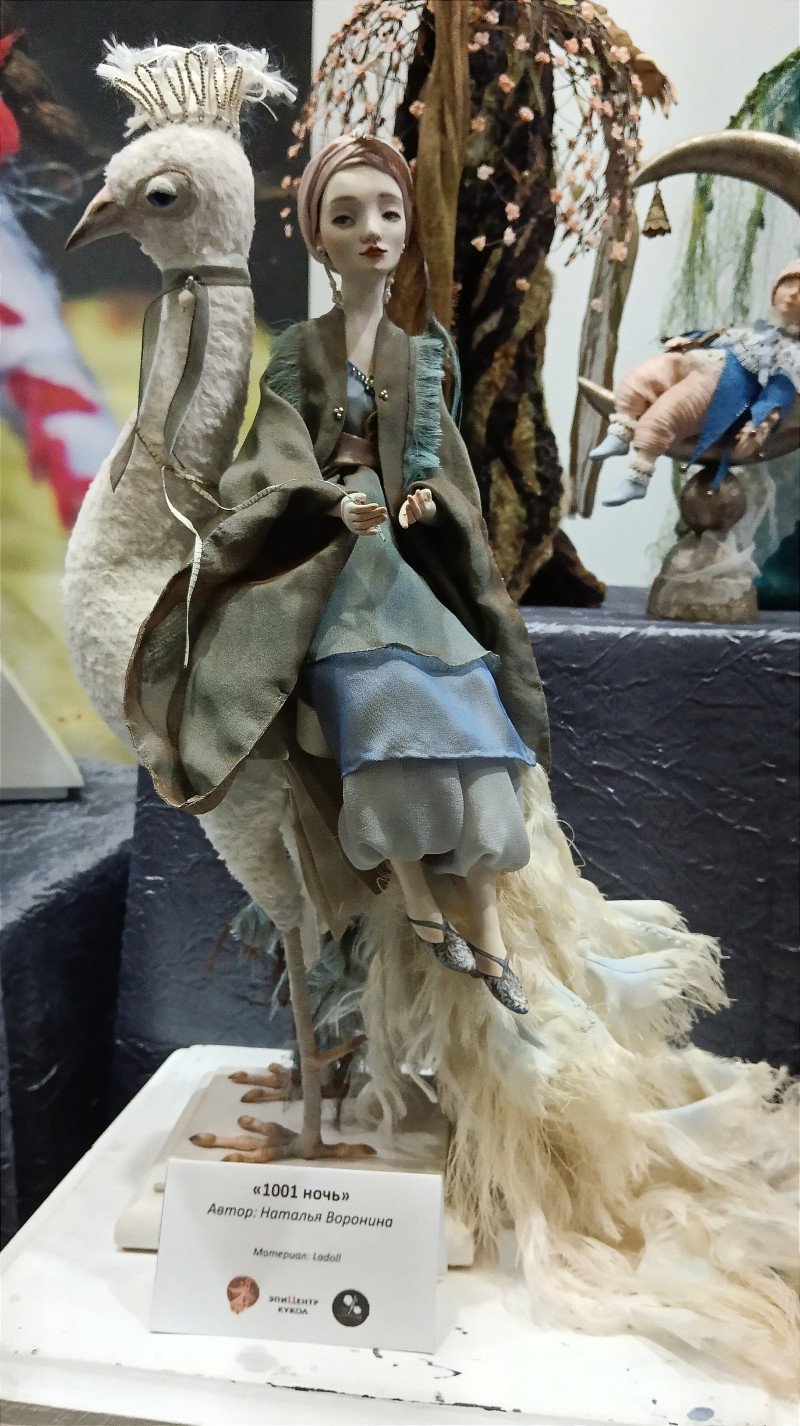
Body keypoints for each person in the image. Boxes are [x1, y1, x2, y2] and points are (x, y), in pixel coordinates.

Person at [125, 136, 551, 1015]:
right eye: (347, 215)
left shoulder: (422, 353)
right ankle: (417, 894)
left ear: (408, 228)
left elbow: (438, 461)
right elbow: (271, 456)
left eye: (388, 212)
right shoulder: (299, 351)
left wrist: (427, 501)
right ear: (318, 235)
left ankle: (488, 924)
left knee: (470, 701)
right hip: (331, 560)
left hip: (404, 562)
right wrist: (326, 503)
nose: (372, 231)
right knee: (378, 699)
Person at [591, 259, 800, 505]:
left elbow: (778, 393)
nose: (793, 294)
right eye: (789, 284)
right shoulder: (758, 331)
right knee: (645, 376)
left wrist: (761, 424)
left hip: (722, 387)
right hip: (701, 362)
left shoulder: (791, 357)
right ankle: (620, 431)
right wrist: (691, 340)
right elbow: (723, 338)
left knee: (668, 412)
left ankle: (639, 475)